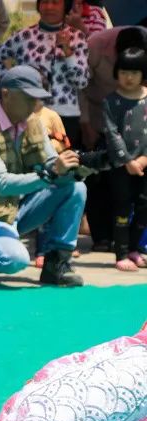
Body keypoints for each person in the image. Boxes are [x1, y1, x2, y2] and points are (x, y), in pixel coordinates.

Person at [0, 65, 85, 287]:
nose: (34, 105)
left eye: (37, 98)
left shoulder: (33, 122)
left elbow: (49, 164)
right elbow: (2, 184)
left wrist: (78, 169)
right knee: (15, 260)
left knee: (76, 188)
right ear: (6, 93)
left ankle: (56, 264)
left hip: (17, 210)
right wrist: (52, 173)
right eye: (28, 98)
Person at [0, 0, 89, 147]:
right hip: (29, 113)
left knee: (65, 164)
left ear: (65, 6)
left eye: (55, 2)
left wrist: (67, 50)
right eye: (44, 2)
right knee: (31, 163)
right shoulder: (24, 36)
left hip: (65, 115)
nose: (49, 7)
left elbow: (81, 82)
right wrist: (14, 82)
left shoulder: (77, 37)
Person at [102, 47, 147, 271]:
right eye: (124, 72)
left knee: (143, 206)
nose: (128, 78)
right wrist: (128, 160)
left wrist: (144, 159)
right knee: (121, 206)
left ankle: (134, 249)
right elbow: (112, 133)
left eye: (134, 73)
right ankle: (120, 253)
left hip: (145, 165)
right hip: (121, 165)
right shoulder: (111, 101)